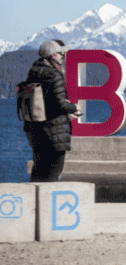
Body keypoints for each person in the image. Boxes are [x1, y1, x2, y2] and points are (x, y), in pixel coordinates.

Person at [23, 39, 81, 182]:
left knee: (38, 170)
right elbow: (60, 105)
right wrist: (74, 107)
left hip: (36, 130)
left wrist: (66, 115)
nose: (64, 58)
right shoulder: (54, 75)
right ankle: (48, 203)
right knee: (53, 173)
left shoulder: (33, 72)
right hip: (54, 134)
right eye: (62, 55)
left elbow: (46, 105)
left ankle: (36, 202)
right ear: (53, 55)